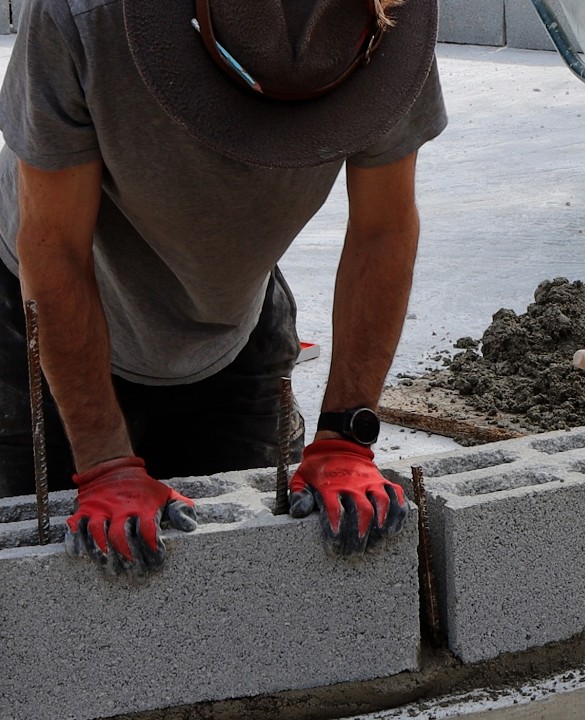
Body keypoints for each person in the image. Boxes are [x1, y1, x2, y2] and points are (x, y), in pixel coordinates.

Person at [0, 0, 446, 573]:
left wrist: (345, 435)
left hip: (233, 315)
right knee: (51, 581)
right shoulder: (82, 16)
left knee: (256, 572)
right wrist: (106, 462)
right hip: (41, 313)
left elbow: (383, 228)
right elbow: (56, 248)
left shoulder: (388, 17)